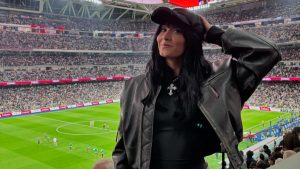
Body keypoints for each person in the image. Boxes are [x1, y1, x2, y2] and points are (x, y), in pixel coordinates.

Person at [112, 6, 281, 169]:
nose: (166, 36)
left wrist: (213, 33)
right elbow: (122, 147)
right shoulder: (134, 87)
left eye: (177, 30)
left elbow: (267, 52)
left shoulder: (218, 79)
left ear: (191, 39)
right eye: (163, 29)